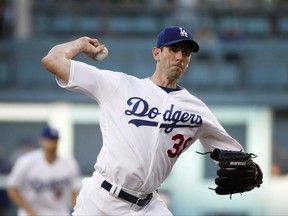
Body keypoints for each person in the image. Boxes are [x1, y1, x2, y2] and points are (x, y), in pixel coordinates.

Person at [41, 26, 253, 215]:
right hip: (102, 200)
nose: (180, 57)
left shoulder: (197, 109)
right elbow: (52, 60)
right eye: (173, 50)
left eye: (186, 53)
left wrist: (250, 169)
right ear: (157, 53)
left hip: (148, 206)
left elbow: (235, 157)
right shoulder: (119, 85)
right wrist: (80, 45)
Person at [7, 126, 82, 216]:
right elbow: (12, 188)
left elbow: (75, 190)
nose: (51, 143)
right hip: (31, 210)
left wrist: (74, 210)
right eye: (48, 140)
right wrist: (29, 210)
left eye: (54, 140)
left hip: (57, 211)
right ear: (41, 140)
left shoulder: (68, 162)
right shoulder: (26, 161)